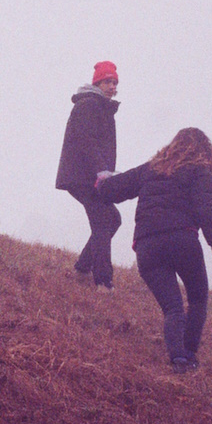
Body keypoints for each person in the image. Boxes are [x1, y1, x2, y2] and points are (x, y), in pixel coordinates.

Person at [96, 127, 212, 371]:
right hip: (182, 241)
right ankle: (189, 355)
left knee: (172, 307)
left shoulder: (151, 168)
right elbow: (207, 211)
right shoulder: (200, 172)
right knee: (197, 298)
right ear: (205, 151)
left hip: (147, 246)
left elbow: (115, 188)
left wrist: (101, 184)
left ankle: (178, 359)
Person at [56, 60, 122, 289]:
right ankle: (103, 281)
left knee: (112, 219)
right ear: (97, 83)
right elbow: (86, 140)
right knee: (104, 219)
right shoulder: (89, 105)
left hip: (90, 175)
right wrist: (101, 171)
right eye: (108, 82)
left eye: (115, 82)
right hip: (82, 176)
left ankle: (83, 268)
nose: (113, 86)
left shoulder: (100, 106)